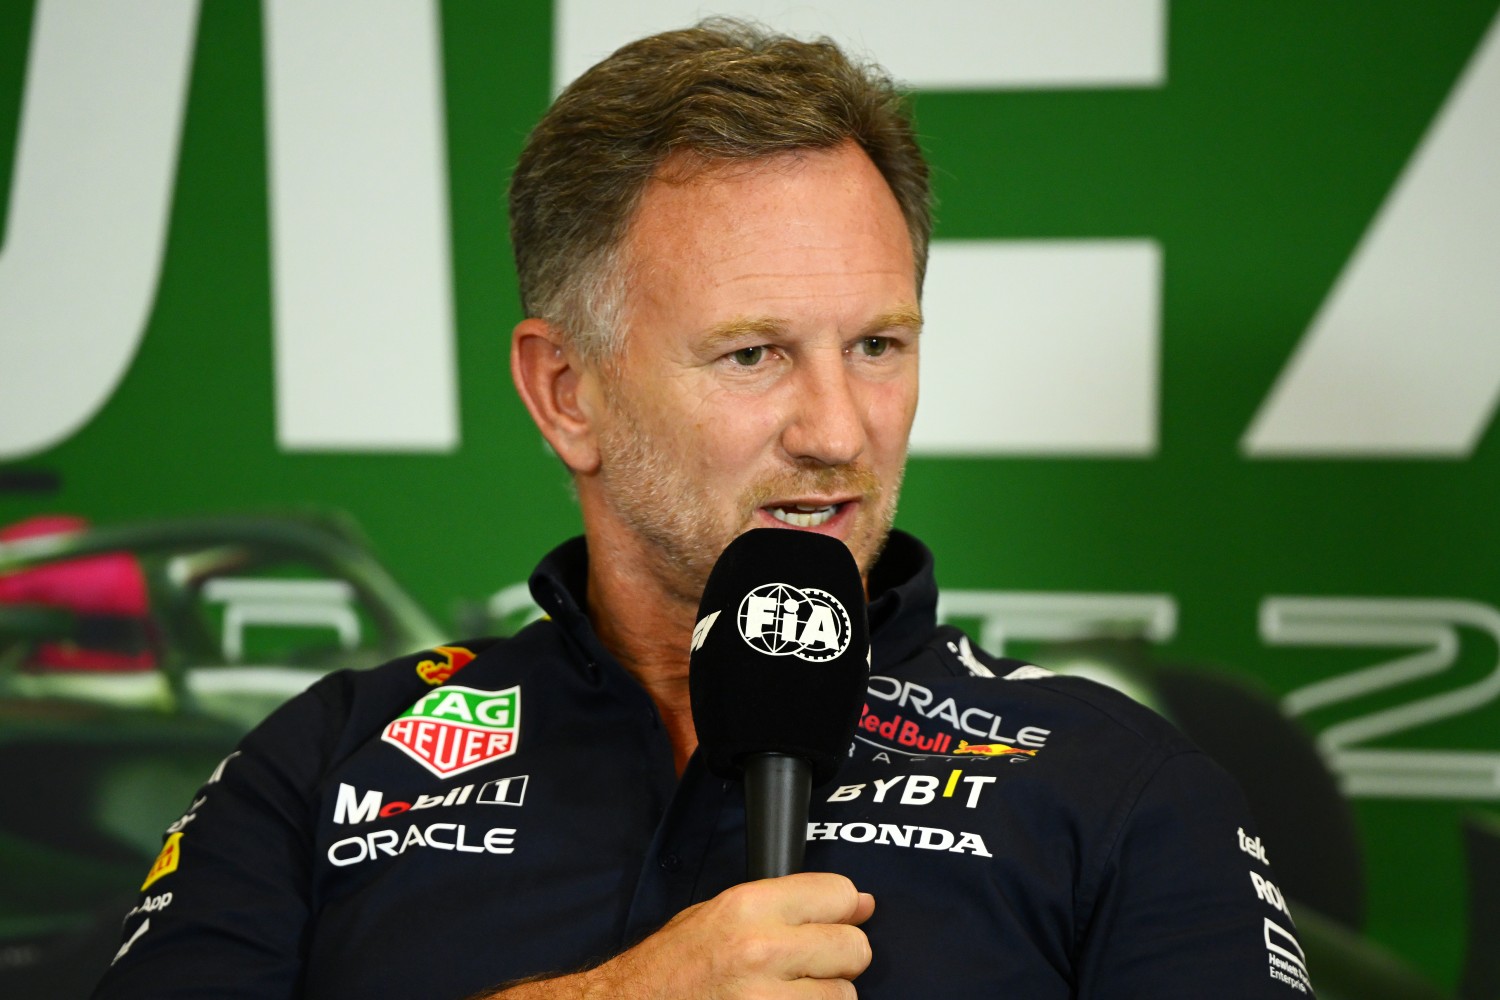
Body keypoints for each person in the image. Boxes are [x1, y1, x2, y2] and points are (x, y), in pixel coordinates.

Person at [95, 19, 1312, 1000]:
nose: (839, 430)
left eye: (878, 344)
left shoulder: (1118, 784)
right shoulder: (326, 762)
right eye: (752, 355)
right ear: (566, 391)